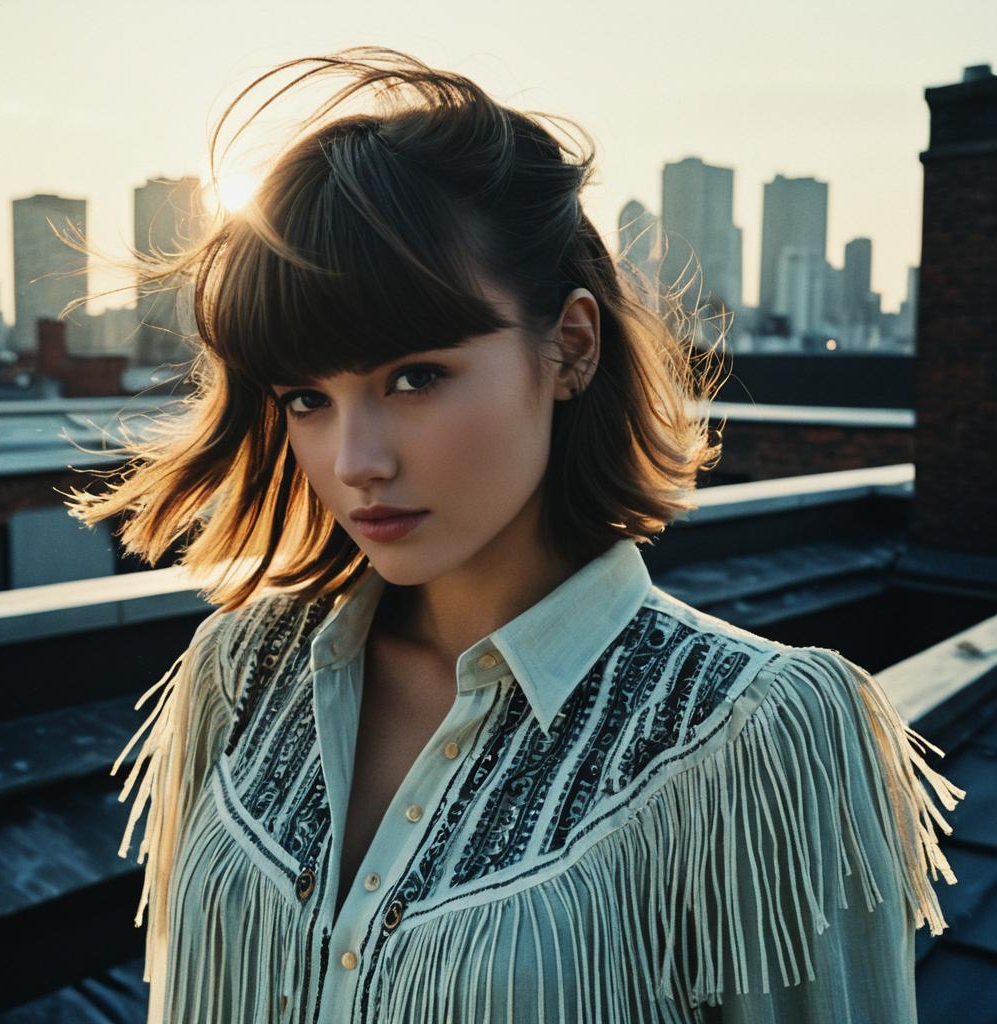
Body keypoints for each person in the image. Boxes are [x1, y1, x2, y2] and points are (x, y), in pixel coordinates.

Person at [62, 46, 964, 1024]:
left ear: (570, 345)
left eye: (415, 377)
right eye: (306, 397)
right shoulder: (242, 670)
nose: (355, 460)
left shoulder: (748, 739)